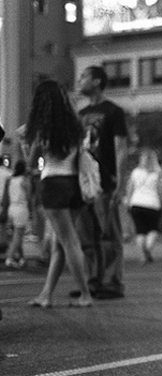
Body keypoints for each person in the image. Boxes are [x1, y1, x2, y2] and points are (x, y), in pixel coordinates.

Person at [24, 80, 93, 308]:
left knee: (69, 242)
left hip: (53, 184)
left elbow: (31, 163)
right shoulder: (75, 125)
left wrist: (27, 145)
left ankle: (85, 294)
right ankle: (46, 295)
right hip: (74, 185)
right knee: (60, 244)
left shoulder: (42, 128)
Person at [76, 65, 128, 299]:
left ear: (97, 81)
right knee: (87, 236)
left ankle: (112, 282)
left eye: (84, 76)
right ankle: (91, 281)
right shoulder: (81, 113)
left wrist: (120, 183)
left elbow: (121, 148)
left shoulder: (113, 111)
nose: (79, 80)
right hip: (85, 182)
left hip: (106, 180)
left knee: (108, 235)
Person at [124, 149, 162, 265]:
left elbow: (130, 188)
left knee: (140, 231)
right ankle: (147, 249)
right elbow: (160, 190)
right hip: (152, 203)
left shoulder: (135, 172)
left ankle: (142, 254)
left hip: (136, 202)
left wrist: (128, 201)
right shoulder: (157, 172)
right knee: (153, 230)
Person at [3, 160, 31, 268]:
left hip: (12, 208)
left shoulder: (11, 180)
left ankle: (21, 257)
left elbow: (7, 196)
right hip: (21, 208)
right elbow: (29, 197)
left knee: (16, 234)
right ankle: (9, 257)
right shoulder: (24, 180)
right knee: (18, 236)